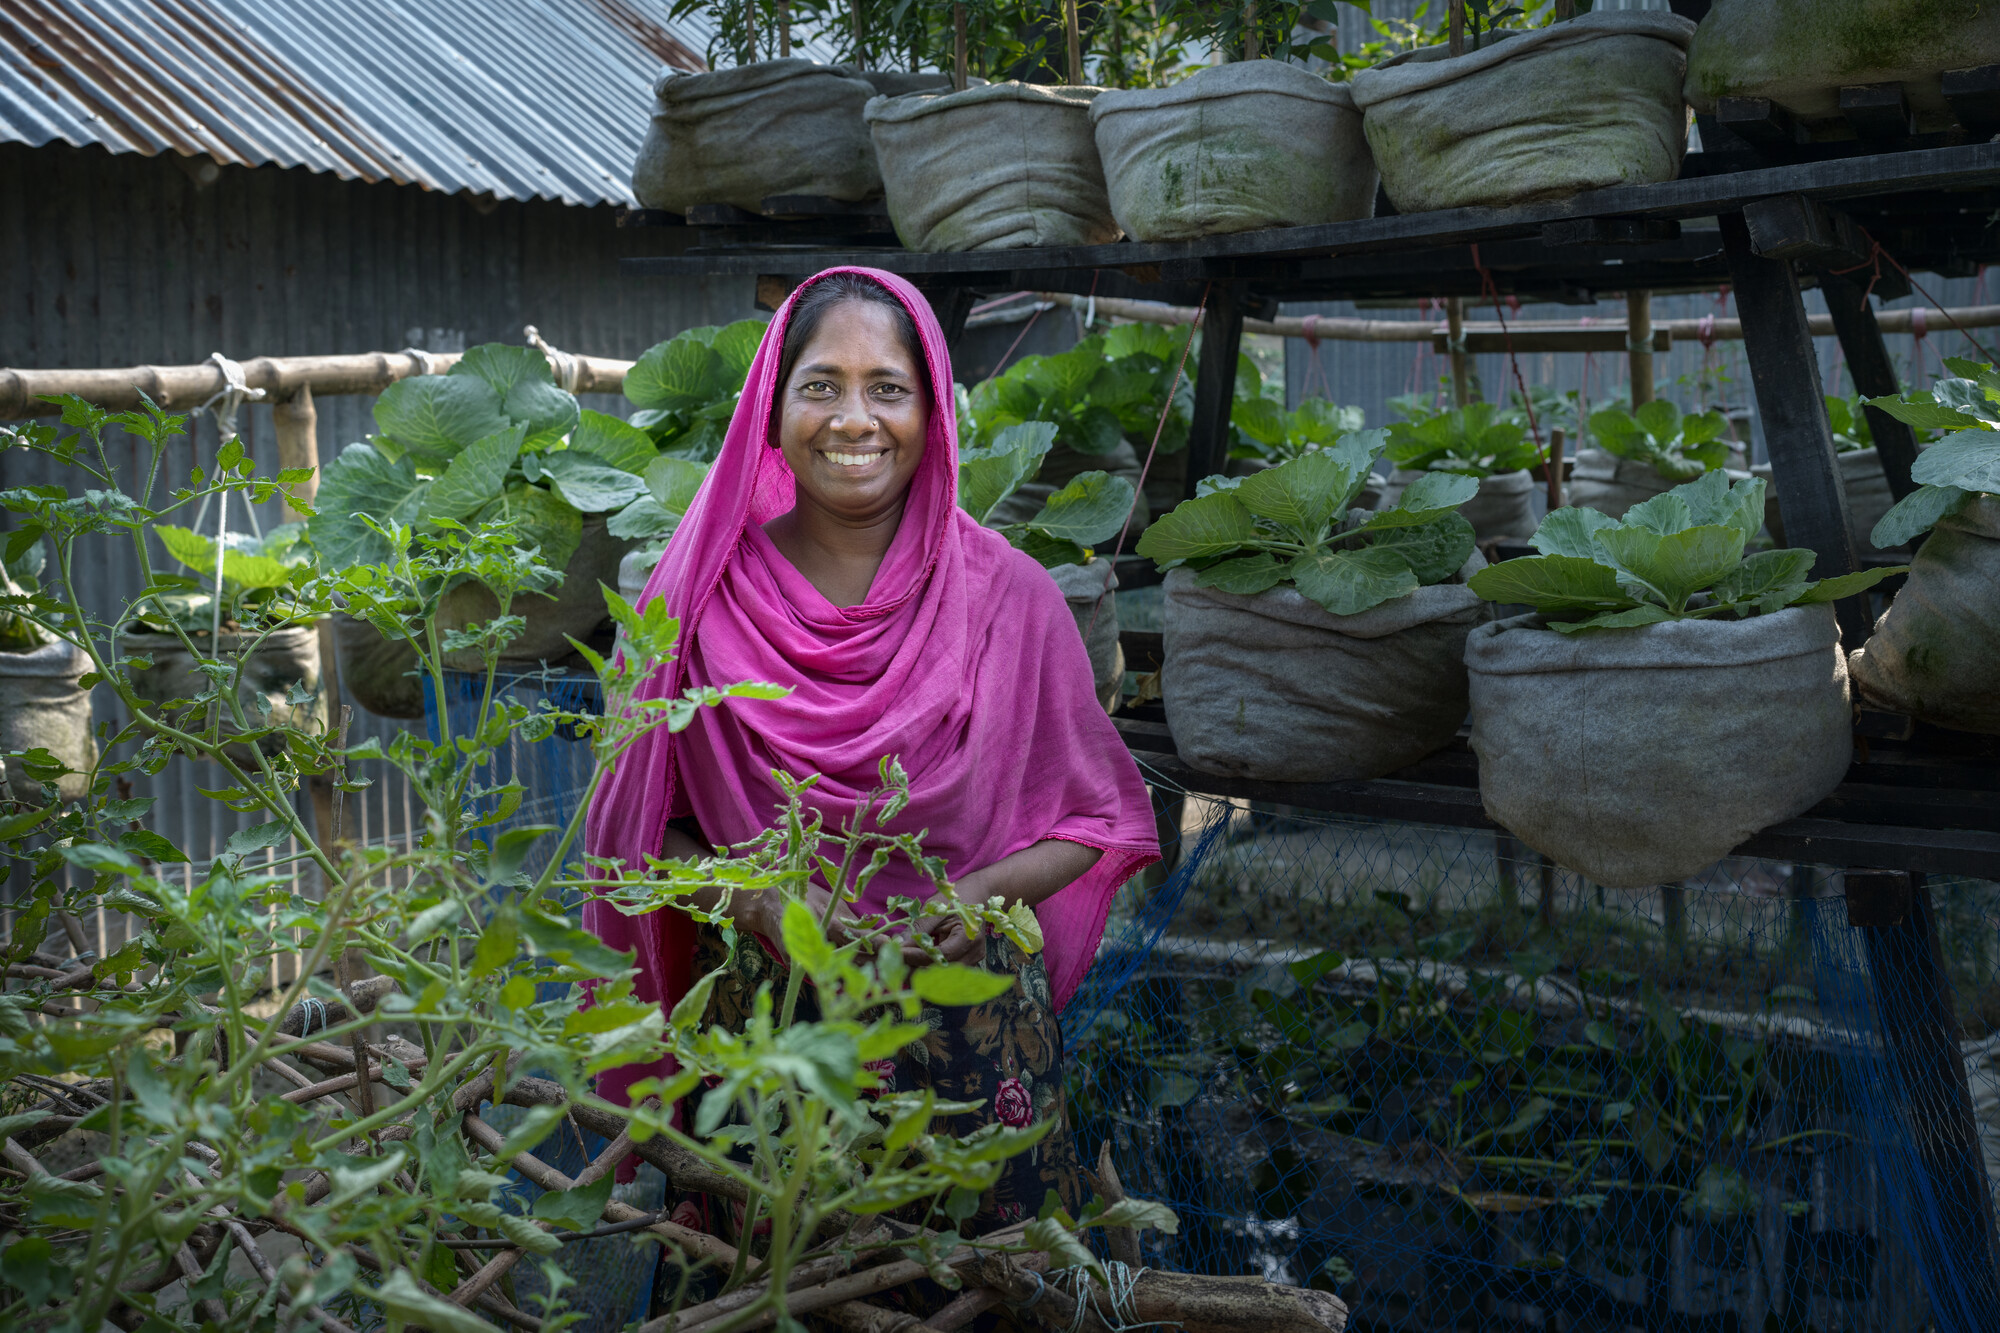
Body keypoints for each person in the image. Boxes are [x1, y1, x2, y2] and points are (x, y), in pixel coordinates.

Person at [583, 266, 1160, 1227]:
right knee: (775, 1291)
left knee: (986, 1296)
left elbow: (1101, 823)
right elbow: (633, 833)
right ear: (771, 412)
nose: (854, 419)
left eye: (887, 387)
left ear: (931, 412)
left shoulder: (1011, 599)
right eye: (821, 386)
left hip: (971, 1044)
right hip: (767, 1040)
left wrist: (977, 894)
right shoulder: (692, 608)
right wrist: (756, 896)